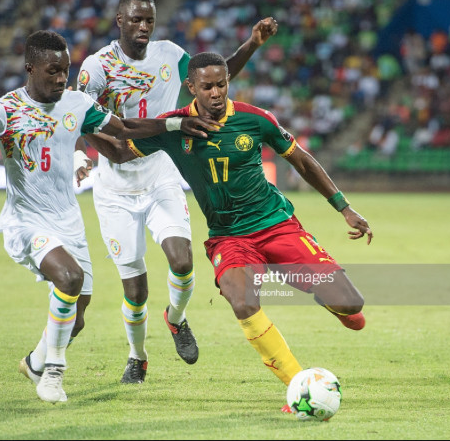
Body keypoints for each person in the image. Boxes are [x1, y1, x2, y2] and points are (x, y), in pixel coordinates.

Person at [0, 30, 218, 404]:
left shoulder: (76, 103)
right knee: (70, 279)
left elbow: (123, 128)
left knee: (79, 315)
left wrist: (173, 124)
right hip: (26, 221)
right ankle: (53, 373)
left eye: (65, 71)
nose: (61, 79)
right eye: (53, 71)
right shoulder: (3, 109)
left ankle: (35, 361)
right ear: (30, 68)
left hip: (68, 221)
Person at [86, 52, 371, 410]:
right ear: (191, 88)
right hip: (229, 238)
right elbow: (121, 152)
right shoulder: (174, 127)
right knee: (242, 300)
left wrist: (343, 207)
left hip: (275, 225)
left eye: (221, 84)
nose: (216, 92)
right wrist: (85, 126)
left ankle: (309, 285)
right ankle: (296, 385)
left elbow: (300, 159)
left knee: (351, 305)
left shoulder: (255, 119)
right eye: (207, 87)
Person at [76, 0, 279, 383]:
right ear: (119, 20)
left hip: (161, 175)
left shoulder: (169, 55)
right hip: (114, 190)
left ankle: (177, 318)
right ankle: (137, 357)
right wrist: (104, 153)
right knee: (134, 289)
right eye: (135, 20)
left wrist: (252, 44)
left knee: (183, 261)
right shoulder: (96, 67)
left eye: (148, 20)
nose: (143, 27)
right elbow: (81, 117)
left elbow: (215, 77)